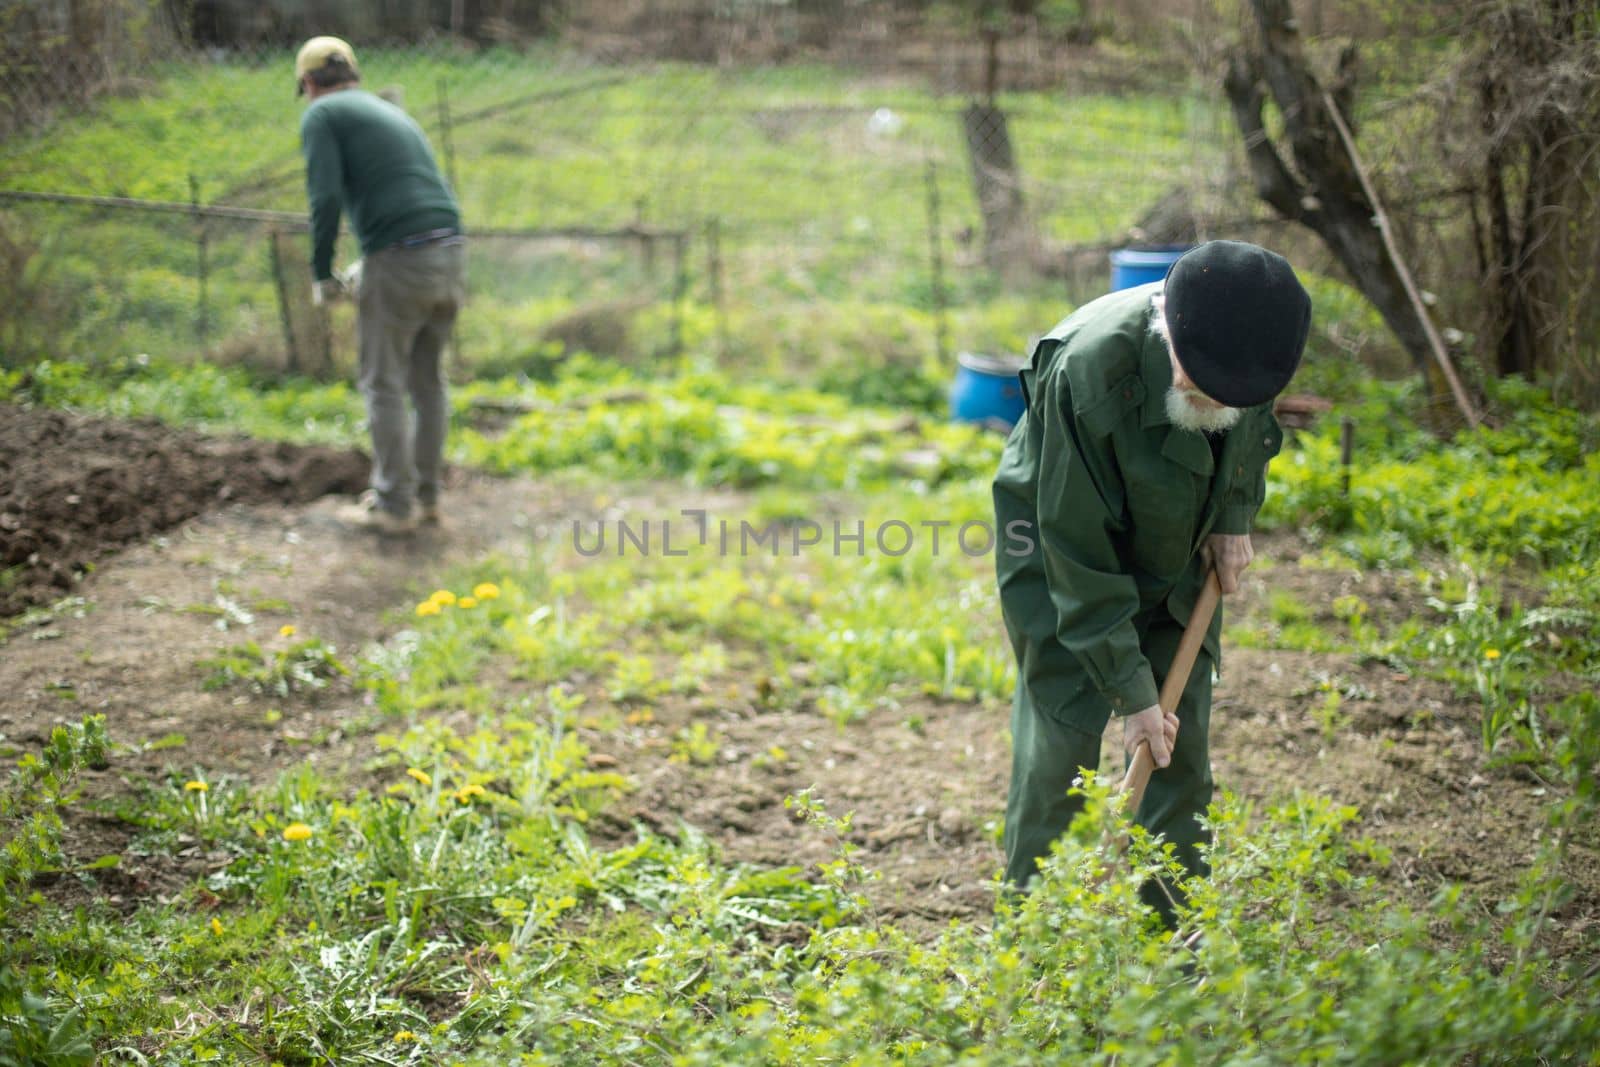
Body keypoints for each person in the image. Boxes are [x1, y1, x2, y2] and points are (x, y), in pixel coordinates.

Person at [992, 240, 1311, 919]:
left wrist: (1233, 514)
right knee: (1063, 744)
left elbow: (1248, 438)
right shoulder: (1087, 370)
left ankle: (1170, 940)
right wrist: (1131, 694)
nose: (1210, 398)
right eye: (1195, 382)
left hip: (1184, 534)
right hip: (1057, 549)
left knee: (1179, 745)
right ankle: (1038, 935)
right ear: (1169, 327)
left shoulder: (1251, 340)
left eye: (1229, 395)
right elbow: (1078, 557)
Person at [295, 36, 466, 531]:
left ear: (308, 84)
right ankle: (428, 498)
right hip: (451, 250)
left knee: (383, 382)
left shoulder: (322, 116)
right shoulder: (386, 112)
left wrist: (322, 272)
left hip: (401, 256)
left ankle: (394, 506)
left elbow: (324, 197)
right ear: (353, 74)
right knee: (427, 382)